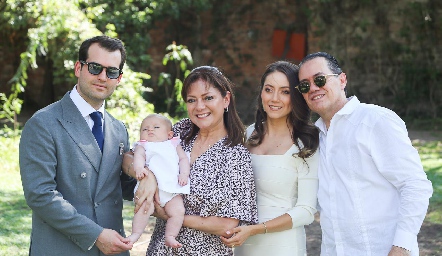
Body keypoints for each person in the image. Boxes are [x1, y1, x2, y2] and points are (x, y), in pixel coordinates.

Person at [19, 35, 156, 256]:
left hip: (113, 250)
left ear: (118, 78)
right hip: (62, 249)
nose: (103, 77)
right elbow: (40, 195)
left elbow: (121, 186)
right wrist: (95, 235)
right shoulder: (43, 123)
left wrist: (153, 181)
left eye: (111, 71)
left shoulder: (118, 128)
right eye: (95, 68)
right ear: (78, 68)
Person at [296, 51, 433, 256]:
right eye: (305, 85)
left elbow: (414, 185)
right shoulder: (314, 138)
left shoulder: (375, 120)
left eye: (320, 79)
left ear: (342, 79)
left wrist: (401, 247)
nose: (313, 88)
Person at [143, 66, 258, 255]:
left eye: (208, 98)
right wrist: (148, 177)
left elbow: (227, 224)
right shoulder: (180, 132)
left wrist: (171, 215)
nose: (199, 107)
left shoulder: (235, 155)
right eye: (192, 100)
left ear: (226, 99)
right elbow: (134, 154)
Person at [220, 60, 320, 255]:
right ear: (261, 93)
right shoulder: (250, 133)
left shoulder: (306, 142)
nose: (275, 98)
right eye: (269, 89)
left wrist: (255, 229)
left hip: (283, 245)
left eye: (285, 91)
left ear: (297, 96)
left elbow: (307, 211)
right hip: (243, 243)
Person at [127, 113, 190, 248]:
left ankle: (170, 235)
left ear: (169, 134)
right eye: (145, 129)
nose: (150, 130)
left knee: (178, 211)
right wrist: (139, 168)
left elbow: (183, 159)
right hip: (149, 190)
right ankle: (135, 234)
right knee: (143, 209)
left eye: (156, 127)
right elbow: (138, 157)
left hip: (172, 188)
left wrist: (184, 174)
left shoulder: (173, 144)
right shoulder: (143, 145)